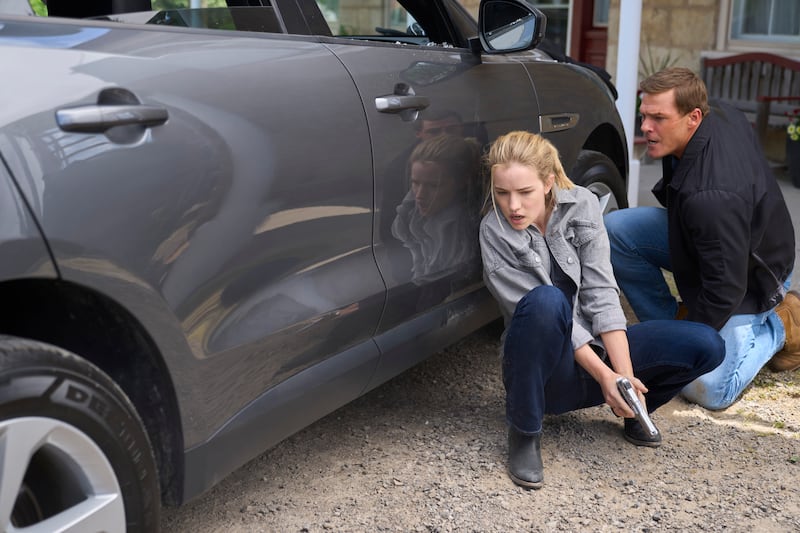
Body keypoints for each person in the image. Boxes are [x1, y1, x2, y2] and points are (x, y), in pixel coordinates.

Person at [479, 131, 724, 489]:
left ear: (548, 183)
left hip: (599, 355)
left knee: (706, 343)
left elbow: (602, 292)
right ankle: (525, 432)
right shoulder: (494, 231)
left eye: (524, 192)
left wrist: (622, 377)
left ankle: (634, 408)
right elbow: (537, 312)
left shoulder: (582, 204)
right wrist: (604, 376)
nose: (513, 205)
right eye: (502, 193)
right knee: (547, 301)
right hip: (548, 376)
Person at [604, 67, 799, 411]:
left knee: (709, 388)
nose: (646, 127)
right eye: (644, 115)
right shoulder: (716, 111)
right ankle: (670, 324)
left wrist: (691, 344)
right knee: (618, 231)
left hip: (754, 274)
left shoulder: (711, 196)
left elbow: (727, 288)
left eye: (658, 118)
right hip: (713, 238)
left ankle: (783, 323)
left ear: (693, 117)